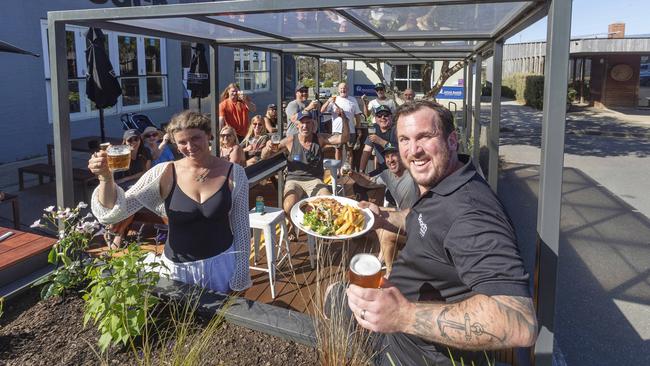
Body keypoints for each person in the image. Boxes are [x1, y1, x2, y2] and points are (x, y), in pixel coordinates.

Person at [331, 100, 537, 365]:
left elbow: (520, 322)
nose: (413, 150)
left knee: (336, 302)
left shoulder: (471, 214)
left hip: (416, 354)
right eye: (404, 139)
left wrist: (403, 316)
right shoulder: (443, 183)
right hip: (396, 326)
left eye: (425, 137)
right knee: (336, 296)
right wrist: (383, 217)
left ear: (452, 141)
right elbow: (422, 220)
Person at [88, 111, 251, 294]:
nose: (189, 146)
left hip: (222, 264)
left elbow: (242, 228)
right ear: (175, 142)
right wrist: (105, 178)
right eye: (182, 142)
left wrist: (241, 275)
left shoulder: (235, 174)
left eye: (196, 138)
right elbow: (115, 210)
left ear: (209, 135)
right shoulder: (164, 172)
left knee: (219, 321)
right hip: (178, 271)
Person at [261, 109, 349, 238]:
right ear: (297, 125)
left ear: (312, 125)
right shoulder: (290, 140)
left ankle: (317, 228)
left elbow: (344, 138)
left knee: (327, 202)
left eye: (308, 123)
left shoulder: (319, 139)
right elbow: (264, 156)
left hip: (314, 179)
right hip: (294, 179)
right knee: (288, 206)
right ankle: (293, 224)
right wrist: (267, 148)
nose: (305, 126)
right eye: (302, 123)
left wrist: (344, 119)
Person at [348, 145, 418, 274]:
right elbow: (368, 182)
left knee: (386, 232)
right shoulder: (387, 174)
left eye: (393, 155)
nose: (390, 160)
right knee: (371, 212)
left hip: (417, 224)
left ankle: (390, 273)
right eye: (386, 157)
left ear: (403, 156)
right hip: (401, 214)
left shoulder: (414, 174)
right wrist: (352, 174)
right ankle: (383, 255)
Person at [104, 129, 153, 249]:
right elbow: (112, 172)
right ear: (125, 142)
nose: (133, 142)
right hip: (119, 186)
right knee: (130, 200)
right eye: (130, 140)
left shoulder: (145, 152)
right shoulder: (121, 154)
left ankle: (116, 232)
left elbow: (146, 172)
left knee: (134, 198)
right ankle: (117, 232)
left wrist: (128, 178)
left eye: (136, 139)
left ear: (140, 140)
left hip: (136, 184)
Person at [320, 82, 364, 164]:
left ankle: (348, 170)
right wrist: (328, 101)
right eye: (341, 88)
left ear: (348, 89)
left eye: (344, 88)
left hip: (350, 130)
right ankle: (337, 170)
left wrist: (358, 128)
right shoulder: (334, 99)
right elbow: (322, 110)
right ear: (338, 90)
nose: (343, 90)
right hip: (337, 130)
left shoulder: (353, 100)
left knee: (349, 151)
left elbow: (357, 116)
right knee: (338, 150)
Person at [359, 105, 398, 174]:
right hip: (382, 168)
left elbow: (398, 150)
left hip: (397, 168)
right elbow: (366, 151)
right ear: (376, 119)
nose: (382, 117)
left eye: (385, 115)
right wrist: (361, 171)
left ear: (391, 117)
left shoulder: (396, 129)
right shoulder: (374, 128)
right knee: (361, 182)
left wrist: (380, 141)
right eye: (379, 115)